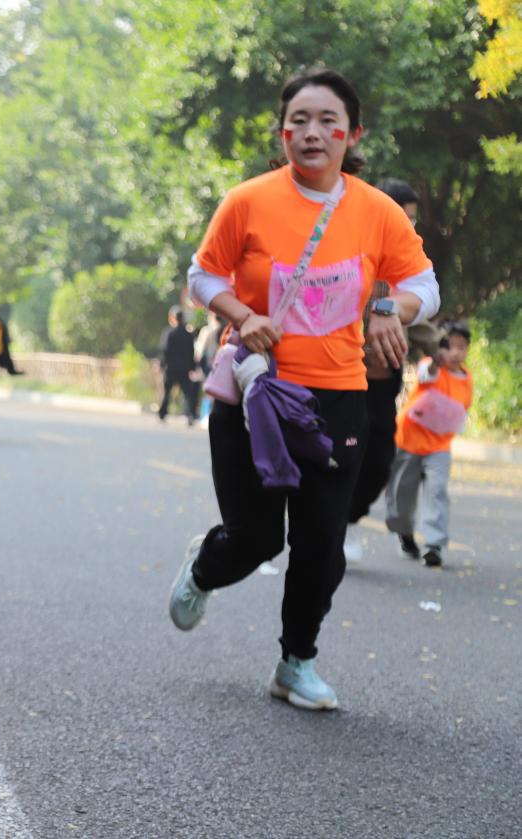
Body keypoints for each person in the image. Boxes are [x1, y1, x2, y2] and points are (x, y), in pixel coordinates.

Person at [168, 68, 440, 711]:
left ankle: (296, 661)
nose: (312, 132)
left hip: (337, 398)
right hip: (254, 392)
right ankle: (207, 566)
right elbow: (203, 276)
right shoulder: (249, 201)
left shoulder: (375, 211)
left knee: (320, 540)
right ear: (282, 131)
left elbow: (425, 287)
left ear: (352, 134)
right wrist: (242, 314)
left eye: (328, 121)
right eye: (300, 121)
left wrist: (385, 307)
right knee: (258, 537)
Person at [342, 179, 420, 562]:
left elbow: (423, 304)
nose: (409, 228)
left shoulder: (407, 264)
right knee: (340, 457)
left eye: (413, 221)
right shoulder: (351, 250)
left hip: (384, 380)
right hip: (341, 376)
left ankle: (346, 519)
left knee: (379, 464)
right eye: (402, 219)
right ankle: (327, 524)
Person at [384, 322, 473, 568]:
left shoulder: (467, 378)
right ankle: (405, 535)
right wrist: (435, 360)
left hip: (439, 446)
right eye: (450, 346)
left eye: (461, 347)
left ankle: (434, 545)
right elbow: (427, 375)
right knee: (402, 494)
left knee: (437, 491)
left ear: (467, 350)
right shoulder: (429, 366)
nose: (455, 352)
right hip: (410, 441)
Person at [158, 306, 198, 425]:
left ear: (173, 318)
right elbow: (192, 352)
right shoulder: (188, 334)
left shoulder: (169, 332)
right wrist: (192, 367)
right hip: (184, 368)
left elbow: (165, 350)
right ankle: (189, 415)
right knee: (187, 393)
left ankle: (162, 413)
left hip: (171, 368)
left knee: (166, 392)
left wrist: (161, 364)